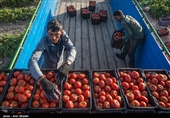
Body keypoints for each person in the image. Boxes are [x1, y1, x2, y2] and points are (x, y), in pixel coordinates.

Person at [28, 19, 77, 101]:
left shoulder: (64, 37)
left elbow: (72, 49)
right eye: (51, 34)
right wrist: (42, 80)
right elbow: (32, 60)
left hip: (61, 68)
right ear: (47, 32)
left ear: (61, 32)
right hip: (47, 70)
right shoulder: (43, 42)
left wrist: (67, 64)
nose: (53, 38)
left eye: (57, 34)